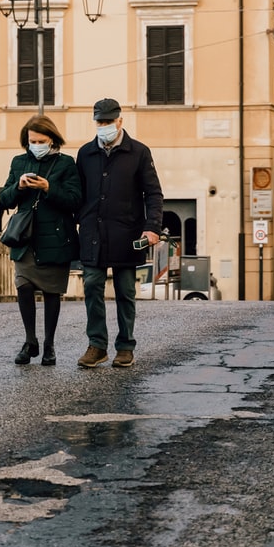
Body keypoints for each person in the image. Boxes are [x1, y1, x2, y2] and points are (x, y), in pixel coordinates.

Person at [76, 98, 163, 368]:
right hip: (93, 233)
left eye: (108, 122)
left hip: (128, 234)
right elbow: (78, 193)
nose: (104, 127)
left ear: (120, 121)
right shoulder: (86, 153)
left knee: (125, 291)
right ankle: (97, 345)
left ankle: (125, 346)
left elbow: (153, 193)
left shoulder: (139, 152)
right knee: (91, 286)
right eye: (99, 122)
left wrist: (152, 227)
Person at [0, 115, 81, 366]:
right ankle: (30, 341)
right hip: (26, 238)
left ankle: (49, 345)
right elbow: (4, 199)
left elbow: (75, 200)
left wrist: (48, 188)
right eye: (31, 140)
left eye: (41, 140)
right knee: (23, 287)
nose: (36, 144)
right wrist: (19, 187)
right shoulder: (19, 162)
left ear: (52, 139)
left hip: (56, 237)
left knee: (51, 293)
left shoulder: (66, 163)